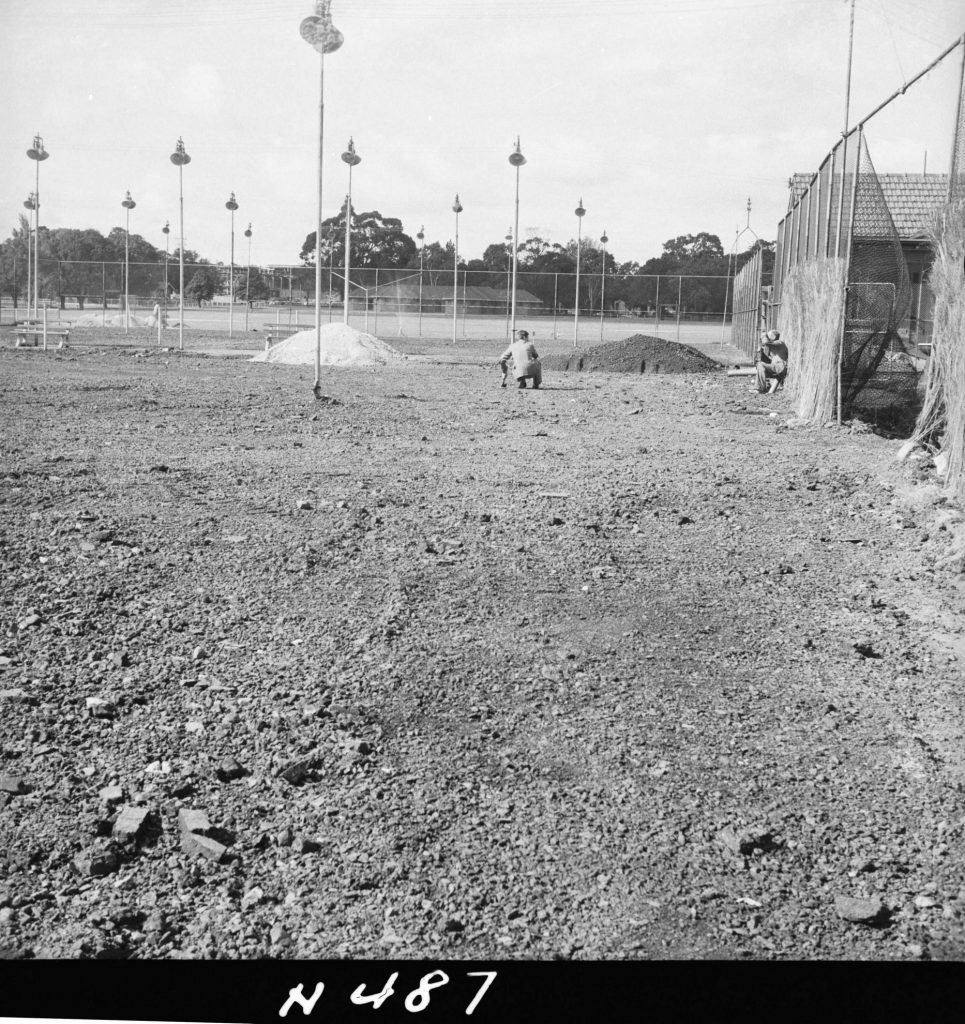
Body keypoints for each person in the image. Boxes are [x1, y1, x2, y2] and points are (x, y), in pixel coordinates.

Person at [756, 329, 788, 394]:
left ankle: (761, 388)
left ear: (773, 336)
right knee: (760, 365)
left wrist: (764, 336)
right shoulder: (775, 346)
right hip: (776, 367)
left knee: (761, 365)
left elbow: (766, 342)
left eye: (769, 336)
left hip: (779, 367)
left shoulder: (780, 343)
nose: (768, 337)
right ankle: (760, 387)